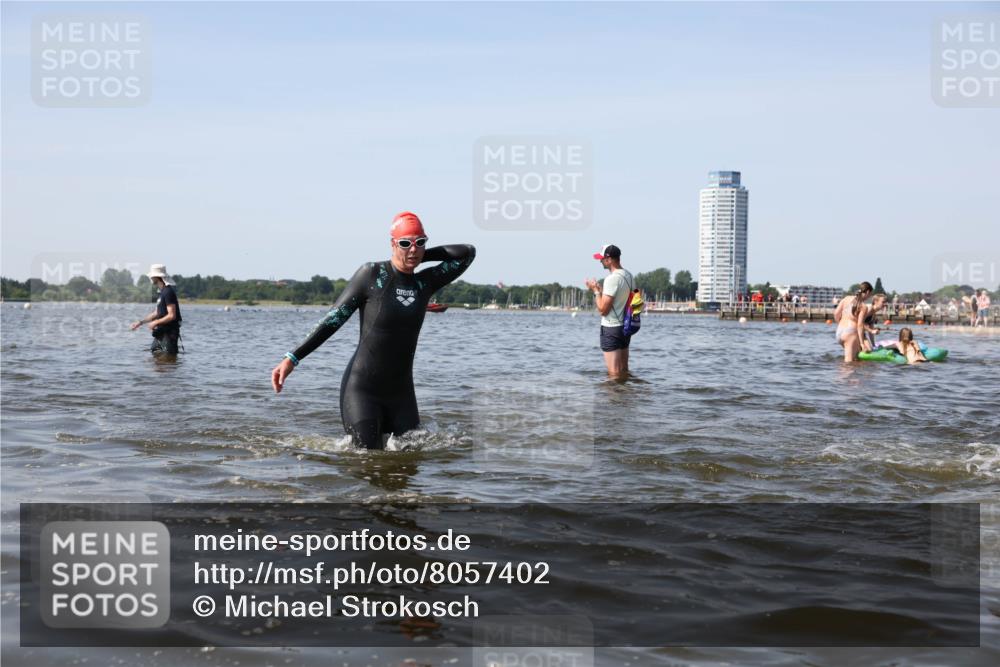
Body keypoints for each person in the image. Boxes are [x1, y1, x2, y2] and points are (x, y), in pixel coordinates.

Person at [270, 212, 475, 450]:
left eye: (420, 242)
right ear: (392, 244)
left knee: (408, 460)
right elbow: (333, 319)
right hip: (363, 391)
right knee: (366, 459)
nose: (413, 249)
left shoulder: (425, 282)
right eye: (405, 243)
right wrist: (293, 357)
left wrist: (419, 255)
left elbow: (467, 253)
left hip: (402, 395)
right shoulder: (372, 274)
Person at [585, 244, 634, 381]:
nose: (600, 261)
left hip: (611, 328)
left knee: (614, 374)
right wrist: (602, 291)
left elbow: (603, 310)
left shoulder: (612, 279)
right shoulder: (629, 275)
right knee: (624, 370)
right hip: (625, 327)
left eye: (602, 259)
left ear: (609, 259)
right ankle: (626, 394)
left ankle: (614, 395)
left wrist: (596, 291)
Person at [130, 264, 182, 355]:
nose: (151, 278)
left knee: (167, 358)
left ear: (157, 277)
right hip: (161, 332)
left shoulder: (168, 292)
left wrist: (155, 322)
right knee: (155, 356)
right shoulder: (162, 292)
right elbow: (156, 313)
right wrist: (140, 322)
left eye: (152, 276)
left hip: (170, 333)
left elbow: (172, 315)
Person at [833, 282, 873, 362]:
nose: (869, 297)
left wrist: (840, 324)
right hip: (850, 333)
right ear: (868, 292)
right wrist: (862, 344)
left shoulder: (846, 298)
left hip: (839, 331)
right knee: (848, 363)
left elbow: (836, 314)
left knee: (856, 359)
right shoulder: (863, 307)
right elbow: (860, 325)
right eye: (870, 294)